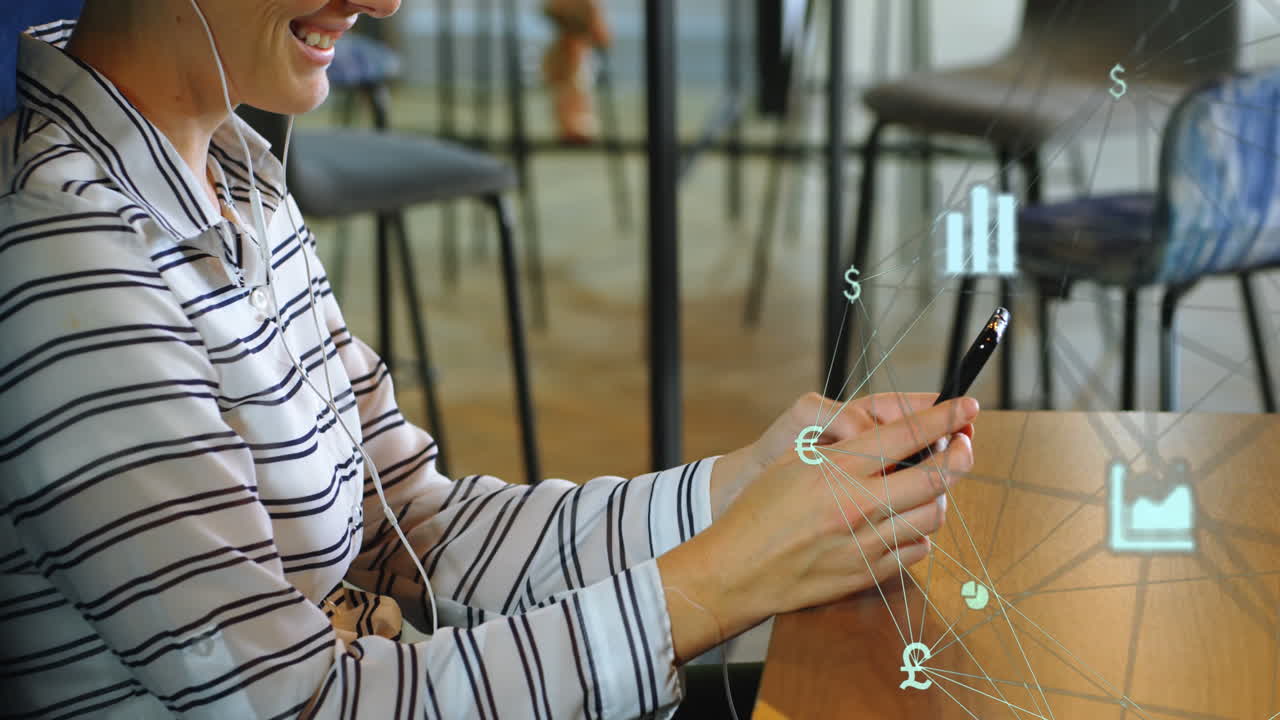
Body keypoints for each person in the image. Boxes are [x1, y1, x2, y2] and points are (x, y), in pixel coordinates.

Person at [0, 1, 979, 718]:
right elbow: (302, 706)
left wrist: (736, 490)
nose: (383, 4)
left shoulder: (229, 177)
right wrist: (723, 580)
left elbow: (418, 531)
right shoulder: (68, 257)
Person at [541, 0, 610, 143]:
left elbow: (602, 36)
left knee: (572, 91)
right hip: (570, 55)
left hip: (573, 54)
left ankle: (576, 126)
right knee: (570, 92)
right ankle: (575, 126)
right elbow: (602, 36)